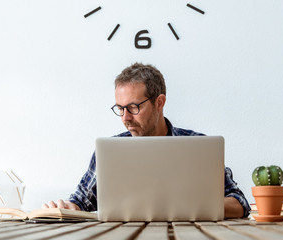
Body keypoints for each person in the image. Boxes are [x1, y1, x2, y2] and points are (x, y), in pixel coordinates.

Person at [43, 63, 251, 218]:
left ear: (159, 102)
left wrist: (186, 206)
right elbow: (81, 201)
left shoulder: (197, 146)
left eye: (133, 107)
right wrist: (69, 208)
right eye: (120, 109)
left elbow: (240, 203)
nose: (125, 117)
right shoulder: (111, 152)